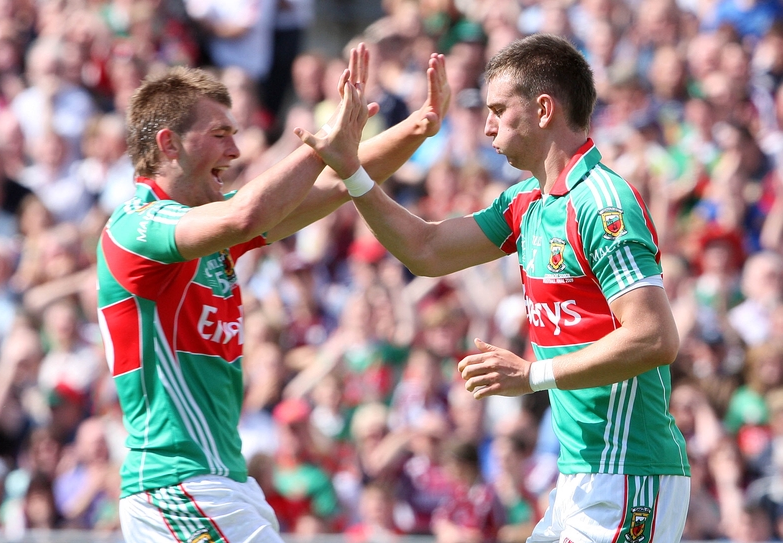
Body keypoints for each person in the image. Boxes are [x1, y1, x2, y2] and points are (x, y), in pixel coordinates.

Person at [343, 34, 691, 543]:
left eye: (499, 110)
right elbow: (426, 249)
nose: (487, 125)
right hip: (579, 477)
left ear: (544, 109)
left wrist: (533, 375)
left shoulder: (602, 203)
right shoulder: (525, 201)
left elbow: (655, 338)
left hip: (631, 472)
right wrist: (351, 171)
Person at [96, 43, 450, 542]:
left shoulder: (209, 229)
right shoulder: (138, 227)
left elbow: (334, 183)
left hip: (214, 484)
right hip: (178, 486)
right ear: (169, 144)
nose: (235, 151)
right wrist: (320, 143)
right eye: (220, 135)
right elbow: (252, 212)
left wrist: (421, 125)